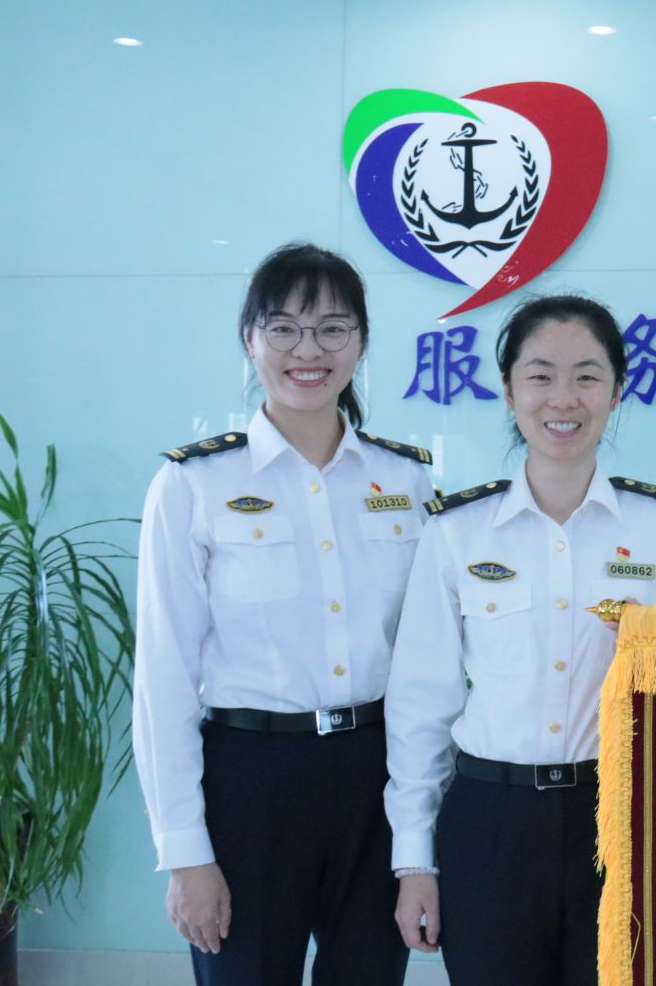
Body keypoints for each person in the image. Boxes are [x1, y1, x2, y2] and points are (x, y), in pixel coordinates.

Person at [383, 293, 656, 984]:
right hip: (491, 822)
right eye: (540, 375)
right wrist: (414, 862)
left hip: (620, 818)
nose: (563, 398)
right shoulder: (457, 532)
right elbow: (421, 705)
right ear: (508, 392)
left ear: (617, 391)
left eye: (587, 376)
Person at [133, 243, 433, 986]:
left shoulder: (406, 480)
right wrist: (186, 853)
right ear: (250, 340)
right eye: (285, 329)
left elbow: (428, 665)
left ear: (361, 343)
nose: (309, 351)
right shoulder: (194, 484)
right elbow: (163, 678)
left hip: (375, 776)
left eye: (333, 329)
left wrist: (420, 838)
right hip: (248, 782)